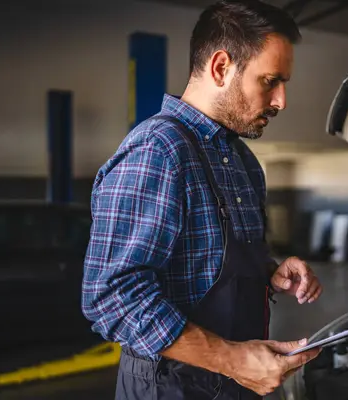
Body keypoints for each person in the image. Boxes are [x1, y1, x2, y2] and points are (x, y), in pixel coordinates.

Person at [81, 1, 324, 399]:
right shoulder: (158, 151)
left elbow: (206, 261)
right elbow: (111, 295)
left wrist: (271, 271)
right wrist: (232, 359)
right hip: (172, 385)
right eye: (270, 81)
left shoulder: (240, 158)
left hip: (238, 377)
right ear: (220, 67)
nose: (281, 100)